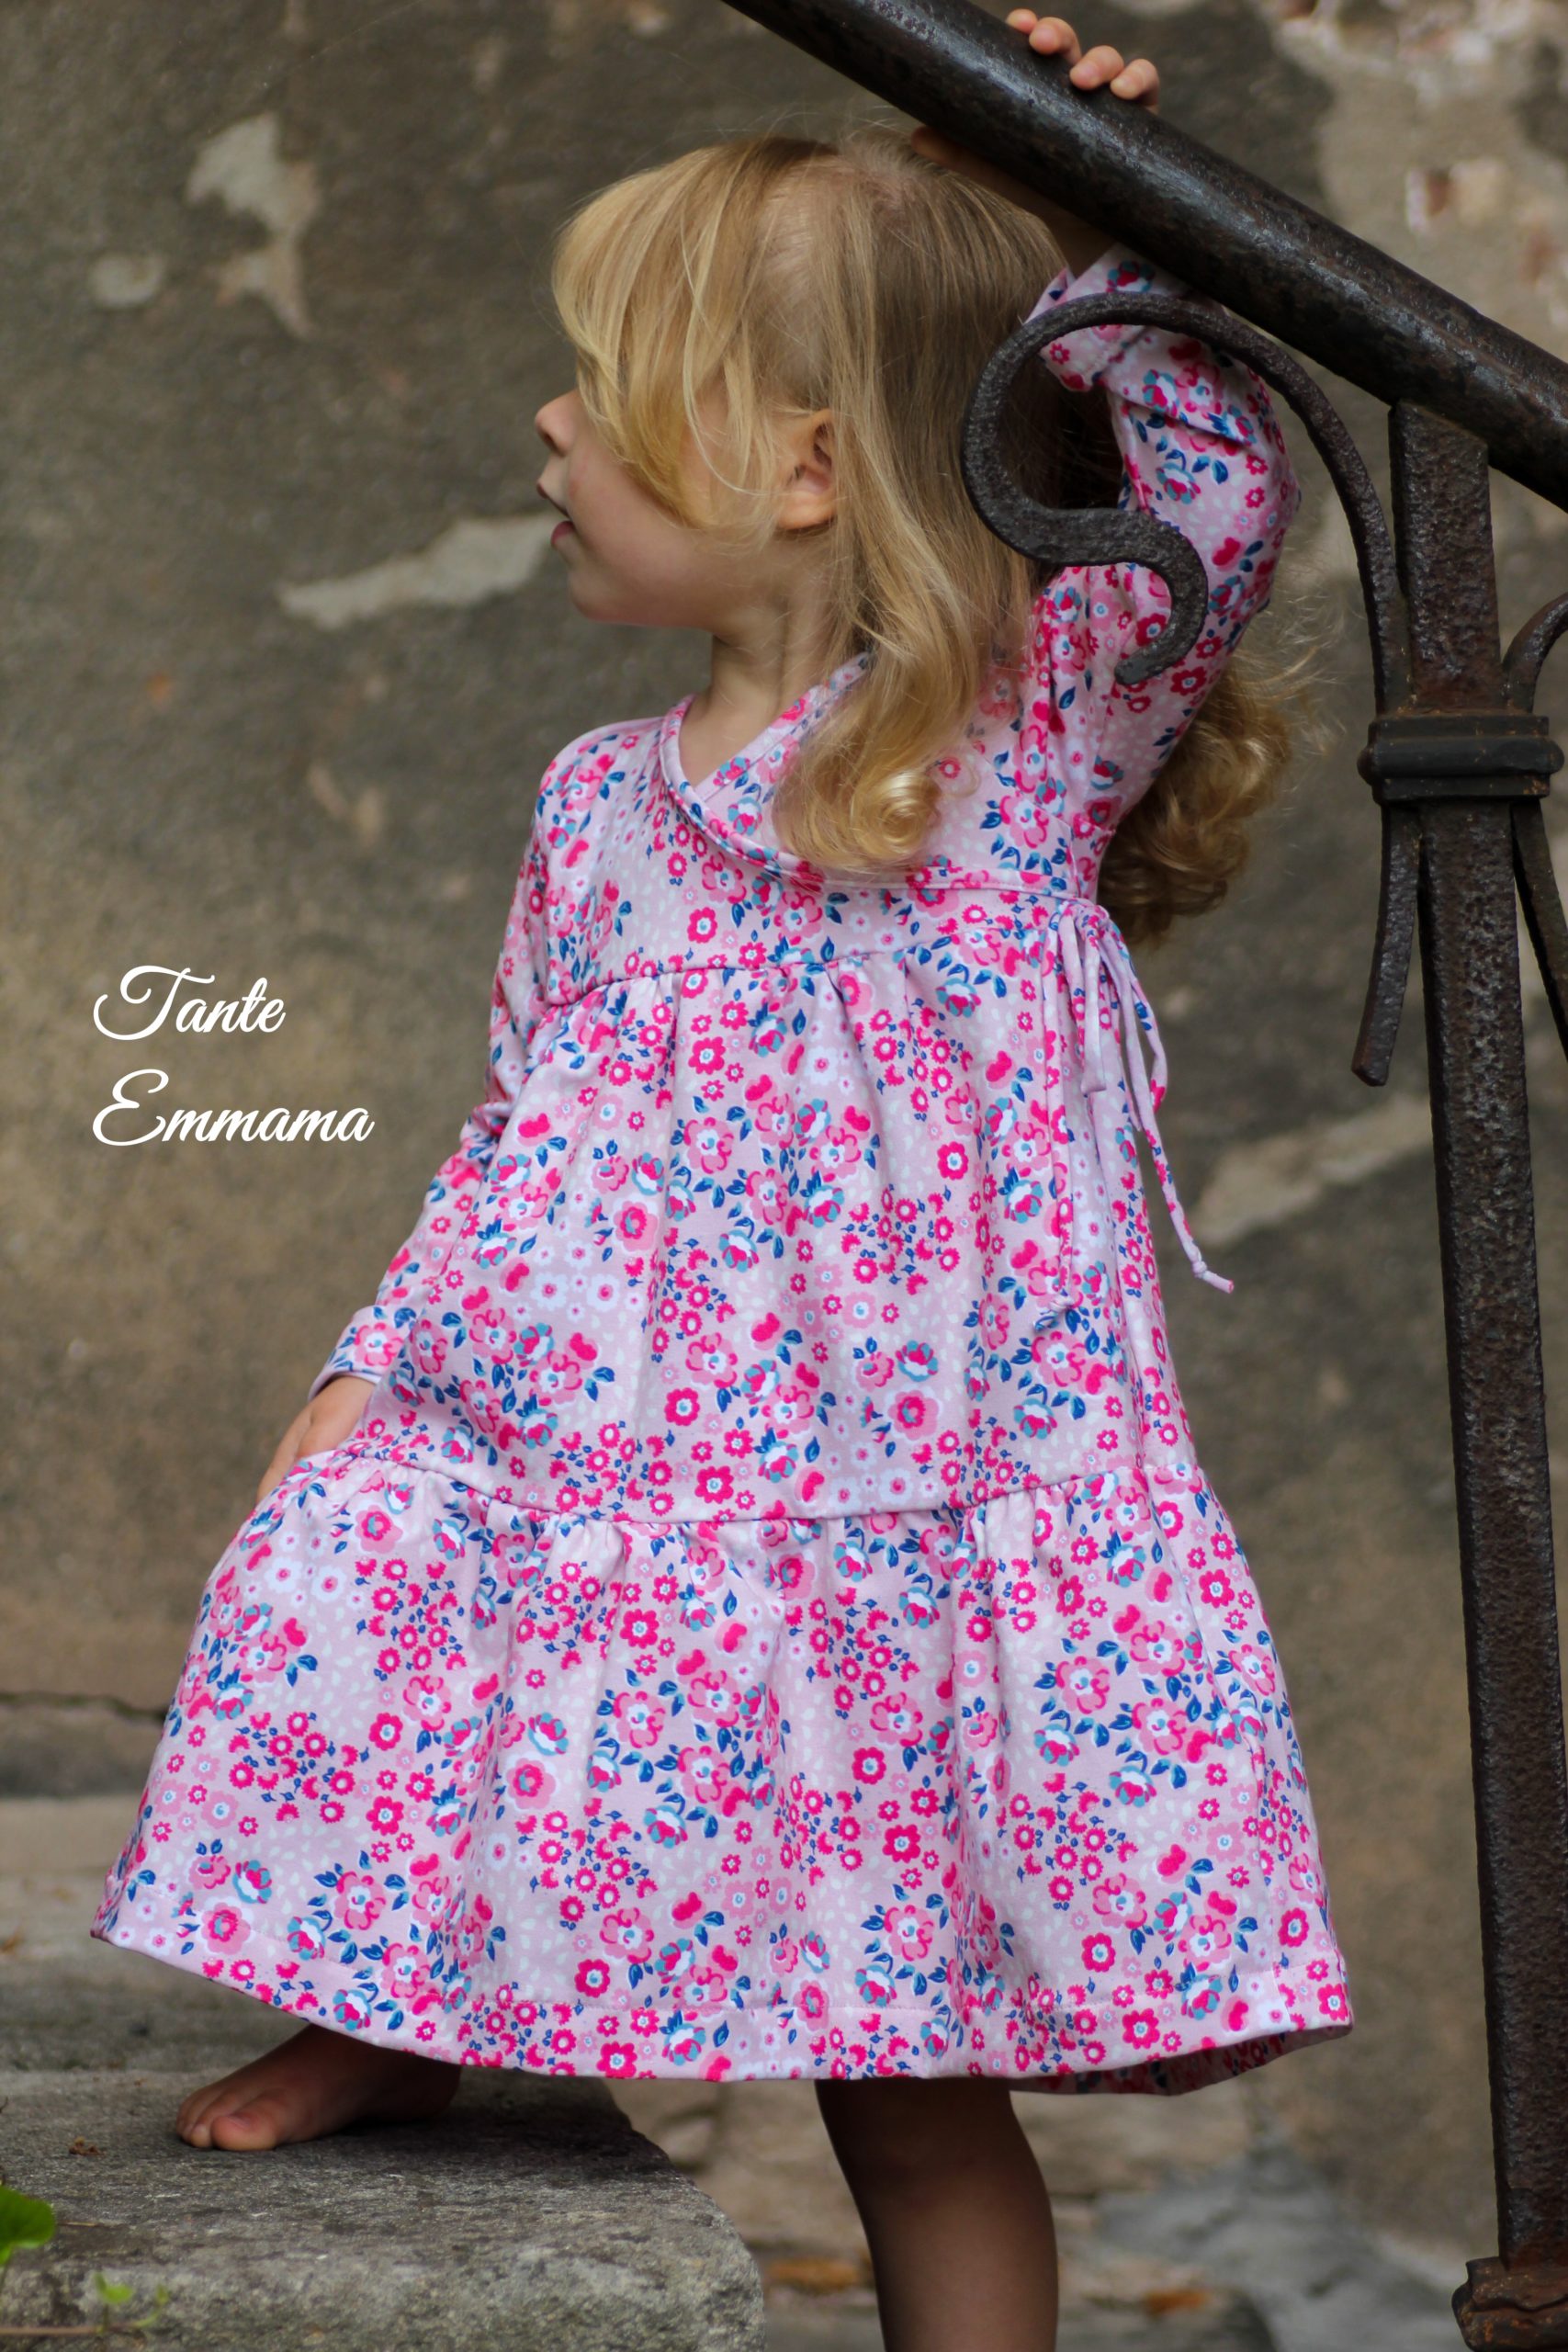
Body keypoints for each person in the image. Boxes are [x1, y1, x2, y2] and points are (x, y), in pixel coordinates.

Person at [94, 16, 1351, 2347]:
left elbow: (1213, 501)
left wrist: (1069, 210)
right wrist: (381, 1358)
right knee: (374, 1552)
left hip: (909, 1503)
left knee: (915, 2104)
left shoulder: (1013, 729)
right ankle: (392, 2006)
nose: (549, 427)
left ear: (803, 467)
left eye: (606, 387)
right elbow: (523, 1123)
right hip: (628, 1456)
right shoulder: (598, 805)